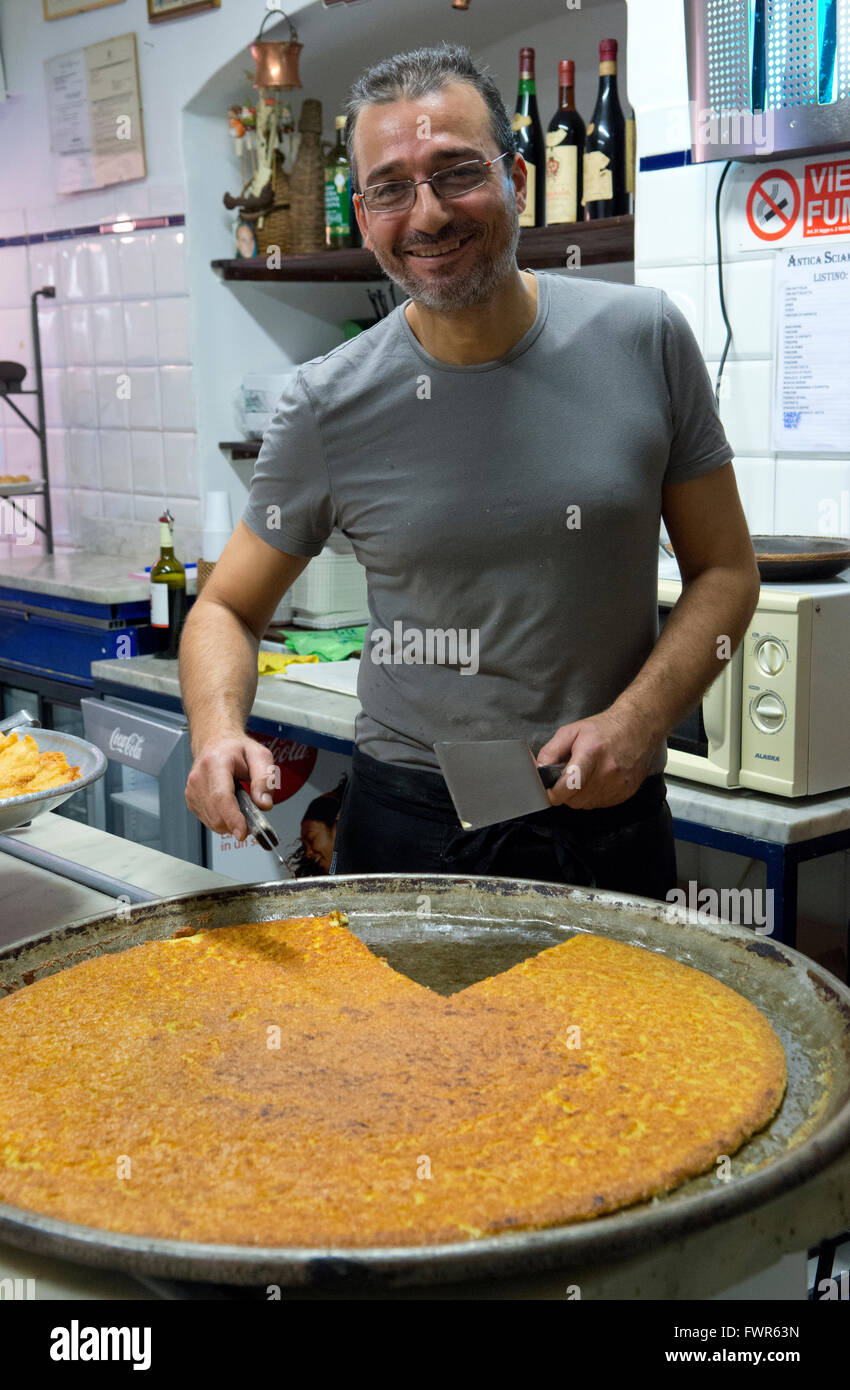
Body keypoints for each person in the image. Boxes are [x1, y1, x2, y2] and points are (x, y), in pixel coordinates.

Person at [181, 43, 759, 901]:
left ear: (515, 176)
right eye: (390, 187)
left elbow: (725, 570)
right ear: (363, 209)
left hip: (609, 805)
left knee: (621, 1041)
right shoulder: (327, 402)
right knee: (406, 1042)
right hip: (410, 816)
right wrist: (217, 732)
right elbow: (227, 607)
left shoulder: (644, 338)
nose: (428, 216)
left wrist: (641, 723)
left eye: (456, 173)